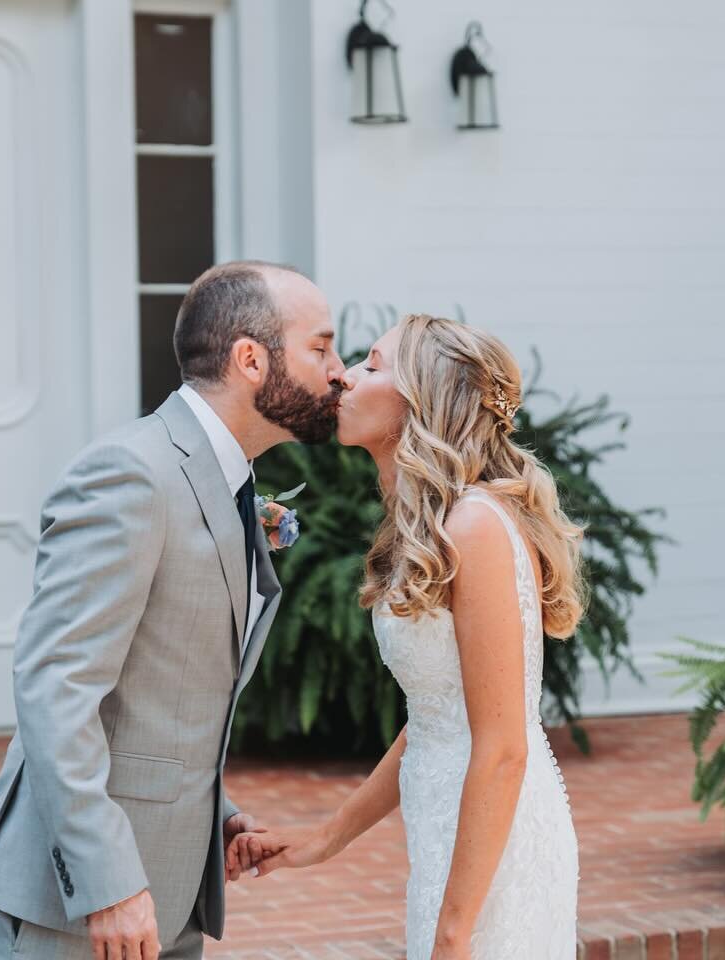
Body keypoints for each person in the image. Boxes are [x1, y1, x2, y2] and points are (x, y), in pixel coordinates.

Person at [0, 261, 345, 959]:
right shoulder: (132, 473)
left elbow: (159, 691)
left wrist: (210, 814)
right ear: (251, 360)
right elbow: (57, 688)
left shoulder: (226, 478)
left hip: (168, 891)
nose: (338, 372)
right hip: (73, 908)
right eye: (321, 348)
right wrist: (106, 882)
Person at [233, 313, 585, 959]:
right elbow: (437, 718)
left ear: (420, 399)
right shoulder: (432, 526)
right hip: (449, 839)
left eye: (370, 364)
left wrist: (454, 933)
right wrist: (324, 838)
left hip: (493, 858)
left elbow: (503, 747)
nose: (343, 377)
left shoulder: (475, 526)